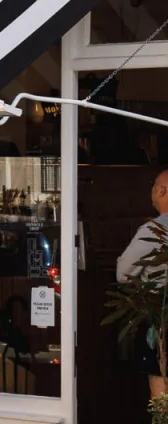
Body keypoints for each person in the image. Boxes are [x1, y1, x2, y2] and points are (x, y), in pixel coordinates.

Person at [117, 168, 168, 398]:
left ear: (162, 190)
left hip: (161, 318)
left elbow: (124, 273)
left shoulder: (154, 231)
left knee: (160, 383)